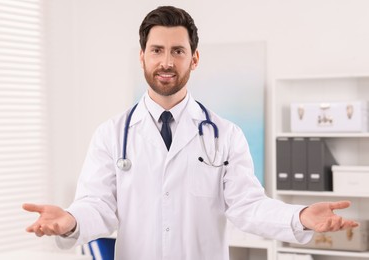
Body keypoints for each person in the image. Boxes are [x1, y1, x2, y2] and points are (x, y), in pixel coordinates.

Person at [23, 6, 358, 260]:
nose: (166, 62)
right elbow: (97, 207)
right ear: (142, 57)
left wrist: (299, 217)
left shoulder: (225, 135)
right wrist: (68, 219)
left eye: (177, 51)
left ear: (194, 59)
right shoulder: (111, 135)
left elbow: (248, 207)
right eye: (157, 50)